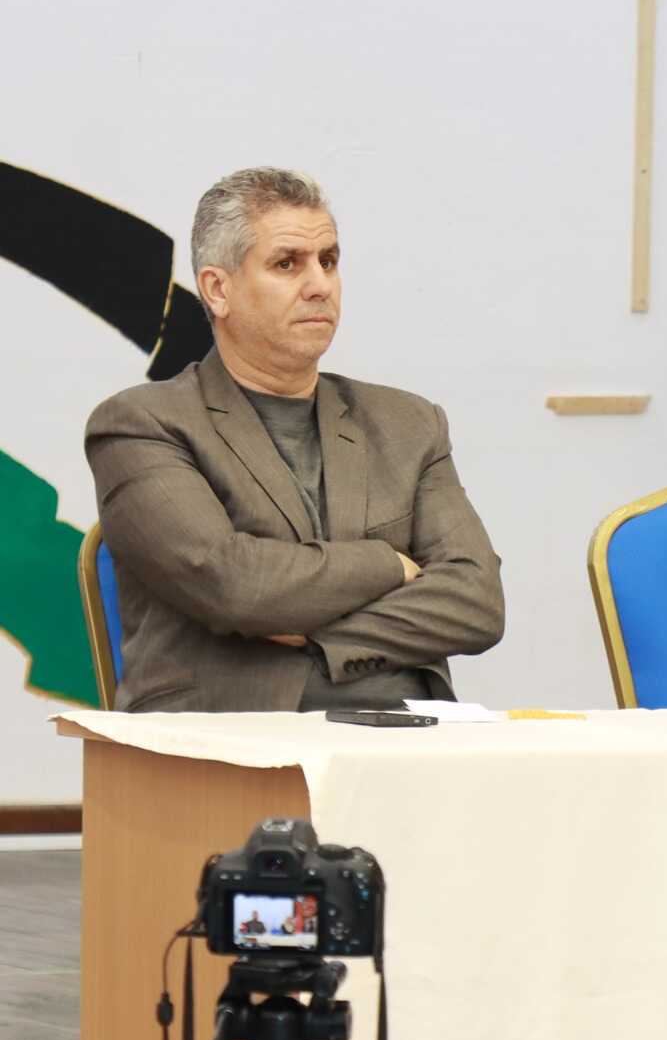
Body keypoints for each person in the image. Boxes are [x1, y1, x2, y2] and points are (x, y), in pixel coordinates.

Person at [85, 168, 504, 712]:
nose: (319, 285)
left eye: (328, 261)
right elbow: (234, 585)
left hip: (406, 730)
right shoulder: (142, 424)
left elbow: (476, 601)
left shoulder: (409, 422)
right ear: (218, 290)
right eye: (287, 264)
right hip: (226, 736)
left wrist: (318, 637)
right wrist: (388, 564)